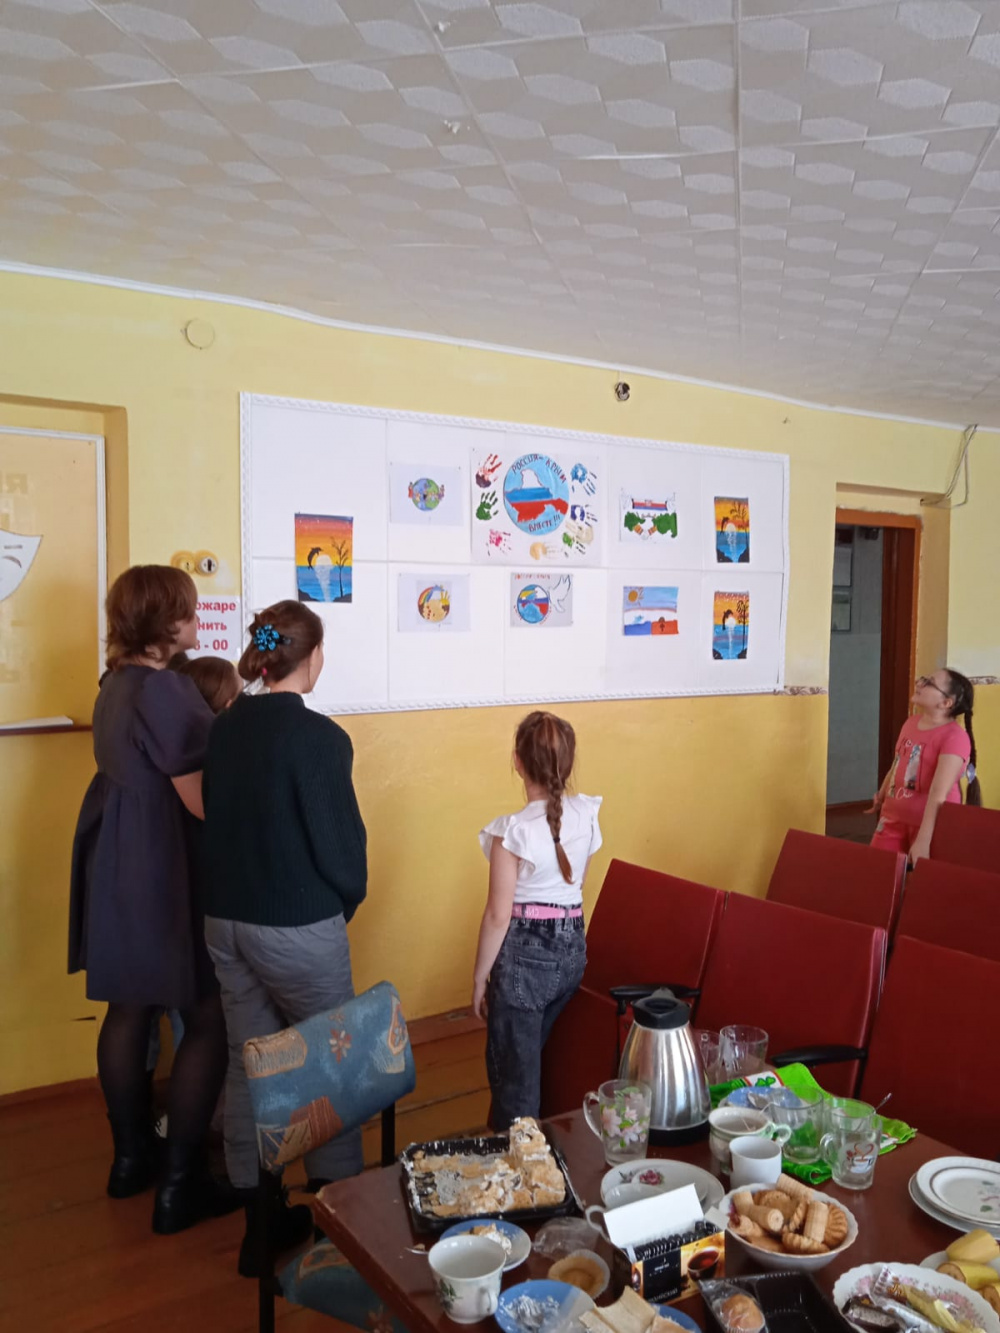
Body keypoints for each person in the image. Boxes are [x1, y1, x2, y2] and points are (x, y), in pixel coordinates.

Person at [68, 566, 237, 1234]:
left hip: (117, 854)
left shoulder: (114, 683)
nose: (197, 620)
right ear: (166, 624)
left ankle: (130, 1160)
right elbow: (202, 800)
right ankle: (179, 1186)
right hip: (163, 861)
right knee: (207, 1015)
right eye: (189, 611)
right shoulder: (165, 690)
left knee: (129, 1008)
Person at [201, 600, 368, 1277]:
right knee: (333, 1062)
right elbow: (342, 850)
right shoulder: (320, 738)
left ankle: (260, 1222)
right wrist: (342, 903)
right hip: (295, 924)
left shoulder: (223, 727)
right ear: (313, 656)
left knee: (252, 1061)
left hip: (225, 921)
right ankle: (341, 1226)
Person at [472, 711, 601, 1131]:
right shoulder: (586, 814)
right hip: (572, 953)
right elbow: (575, 882)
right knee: (524, 1054)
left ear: (517, 762)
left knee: (516, 1082)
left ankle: (520, 1154)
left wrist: (479, 977)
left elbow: (498, 915)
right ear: (569, 762)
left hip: (527, 962)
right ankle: (519, 1133)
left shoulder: (513, 832)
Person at [146, 656, 243, 1100]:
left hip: (163, 904)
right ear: (226, 705)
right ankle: (197, 1116)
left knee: (175, 1014)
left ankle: (178, 1116)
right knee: (205, 1019)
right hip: (201, 907)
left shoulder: (167, 752)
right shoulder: (208, 762)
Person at [869, 668, 982, 864]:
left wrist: (924, 840)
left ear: (946, 703)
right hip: (892, 818)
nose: (919, 683)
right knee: (878, 871)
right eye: (924, 679)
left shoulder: (955, 737)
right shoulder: (911, 723)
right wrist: (883, 792)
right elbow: (898, 762)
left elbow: (938, 794)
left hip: (930, 828)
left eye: (929, 682)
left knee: (925, 880)